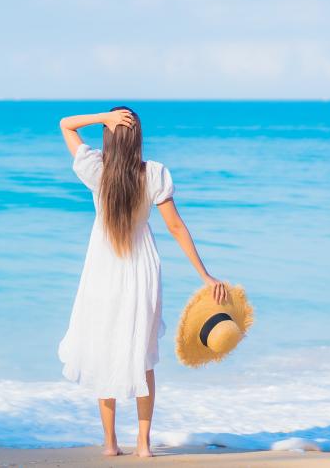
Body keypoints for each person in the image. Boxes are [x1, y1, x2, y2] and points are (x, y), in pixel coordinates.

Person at [57, 105, 228, 458]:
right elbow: (176, 227)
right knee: (143, 356)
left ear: (108, 135)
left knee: (105, 351)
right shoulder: (153, 174)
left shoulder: (96, 170)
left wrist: (101, 117)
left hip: (103, 272)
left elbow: (65, 125)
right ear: (138, 138)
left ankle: (109, 444)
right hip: (141, 272)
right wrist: (204, 274)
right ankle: (143, 445)